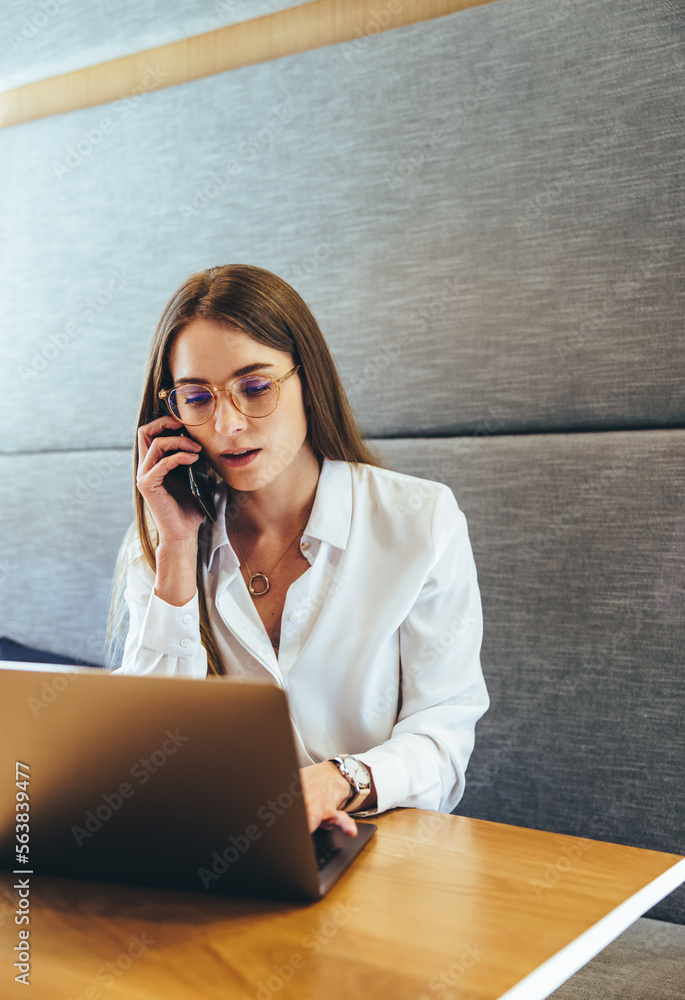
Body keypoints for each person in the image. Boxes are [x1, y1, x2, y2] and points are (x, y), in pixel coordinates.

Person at [107, 264, 488, 838]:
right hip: (218, 852)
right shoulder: (164, 547)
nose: (228, 424)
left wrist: (338, 780)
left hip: (379, 851)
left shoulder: (421, 522)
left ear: (308, 380)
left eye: (255, 388)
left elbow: (445, 737)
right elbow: (145, 755)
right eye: (197, 397)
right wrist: (178, 550)